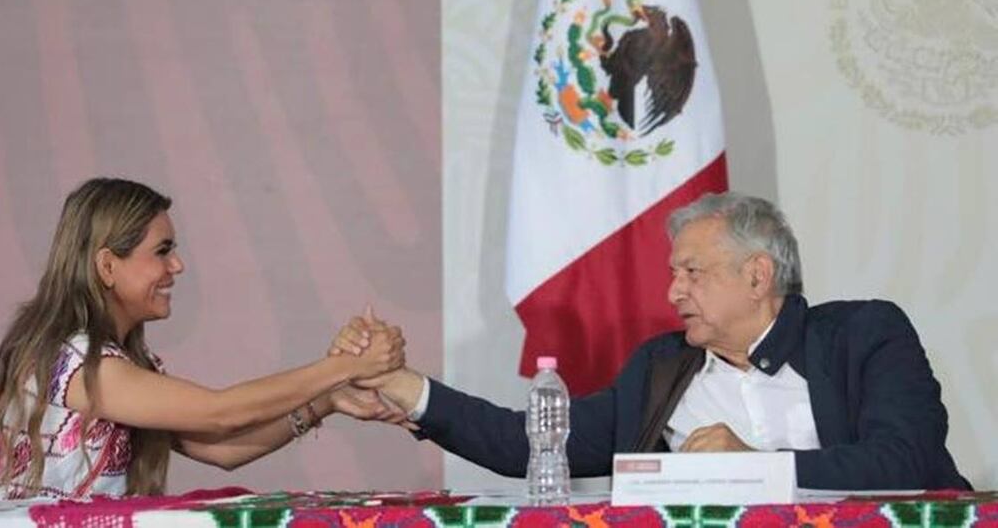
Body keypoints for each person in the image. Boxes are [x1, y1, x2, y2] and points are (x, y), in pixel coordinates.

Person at [332, 192, 971, 490]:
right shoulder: (664, 369)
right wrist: (403, 386)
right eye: (673, 273)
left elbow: (905, 462)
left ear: (757, 276)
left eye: (692, 272)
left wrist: (750, 464)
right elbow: (531, 443)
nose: (672, 292)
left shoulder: (864, 335)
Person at [0, 177, 406, 500]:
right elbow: (221, 414)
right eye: (163, 251)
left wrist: (327, 400)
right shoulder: (74, 363)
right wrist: (345, 367)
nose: (177, 266)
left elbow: (222, 448)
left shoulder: (115, 364)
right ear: (108, 266)